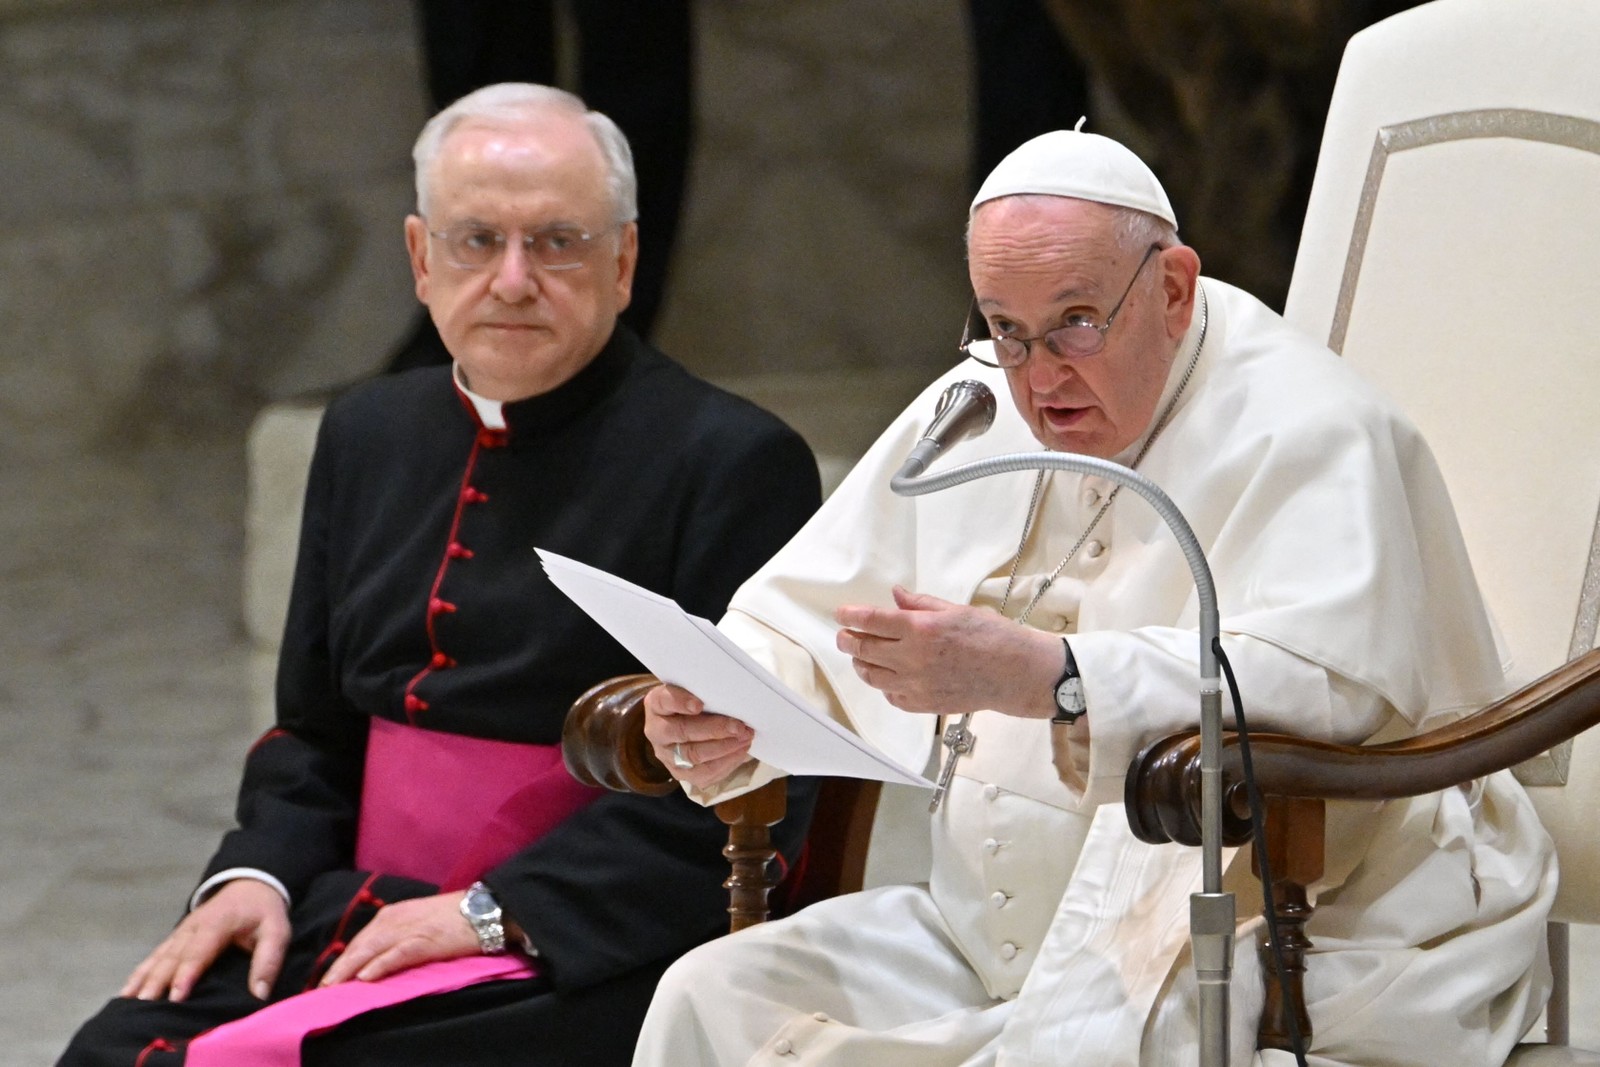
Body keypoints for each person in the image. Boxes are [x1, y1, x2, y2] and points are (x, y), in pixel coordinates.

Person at [632, 129, 1555, 1066]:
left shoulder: (1313, 427)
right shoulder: (978, 402)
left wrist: (1059, 678)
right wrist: (726, 700)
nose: (1037, 378)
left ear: (1172, 288)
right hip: (980, 935)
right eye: (1004, 327)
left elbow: (1339, 690)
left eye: (1076, 321)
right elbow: (810, 613)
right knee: (709, 996)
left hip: (1269, 925)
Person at [59, 83, 820, 1067]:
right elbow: (313, 731)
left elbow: (752, 792)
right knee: (112, 1049)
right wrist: (255, 875)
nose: (511, 279)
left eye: (557, 241)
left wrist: (496, 911)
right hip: (355, 908)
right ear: (421, 258)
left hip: (588, 932)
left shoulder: (732, 460)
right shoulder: (366, 432)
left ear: (625, 260)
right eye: (475, 240)